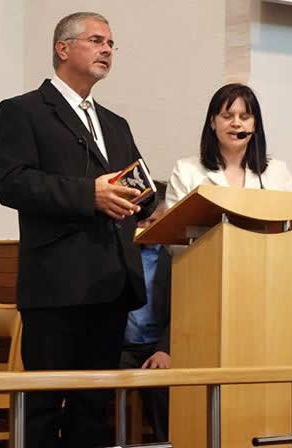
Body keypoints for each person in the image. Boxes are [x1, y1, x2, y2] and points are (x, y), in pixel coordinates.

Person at [0, 11, 156, 448]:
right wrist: (89, 195)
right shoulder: (22, 111)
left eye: (111, 44)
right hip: (56, 285)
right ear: (63, 49)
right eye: (97, 40)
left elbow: (139, 182)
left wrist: (146, 197)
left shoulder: (115, 123)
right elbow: (13, 183)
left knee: (94, 408)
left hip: (110, 281)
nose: (107, 50)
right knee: (44, 406)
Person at [166, 83, 292, 255]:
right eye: (227, 116)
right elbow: (173, 240)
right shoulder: (186, 171)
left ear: (254, 125)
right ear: (213, 122)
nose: (236, 123)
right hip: (204, 272)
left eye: (244, 117)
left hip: (266, 274)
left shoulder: (278, 173)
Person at [120, 181, 171, 442]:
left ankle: (167, 443)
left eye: (153, 222)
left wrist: (165, 349)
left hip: (157, 348)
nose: (145, 228)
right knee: (89, 390)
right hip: (122, 346)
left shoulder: (177, 256)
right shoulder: (120, 253)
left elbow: (184, 311)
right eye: (141, 221)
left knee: (163, 390)